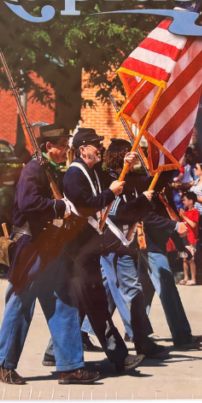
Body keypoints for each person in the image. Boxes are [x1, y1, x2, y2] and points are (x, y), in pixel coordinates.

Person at [0, 123, 100, 386]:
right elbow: (28, 204)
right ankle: (3, 365)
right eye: (62, 146)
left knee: (64, 302)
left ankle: (70, 367)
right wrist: (59, 205)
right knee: (19, 304)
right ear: (48, 147)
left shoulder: (49, 169)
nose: (66, 150)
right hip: (31, 246)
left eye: (66, 145)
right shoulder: (33, 169)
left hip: (50, 246)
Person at [59, 128, 147, 375]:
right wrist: (111, 193)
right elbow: (85, 205)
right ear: (82, 149)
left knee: (82, 304)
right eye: (95, 144)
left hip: (87, 248)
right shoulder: (74, 175)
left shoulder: (90, 170)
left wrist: (128, 164)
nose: (100, 148)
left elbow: (111, 174)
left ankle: (53, 352)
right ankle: (119, 356)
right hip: (78, 249)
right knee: (96, 303)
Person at [89, 138, 166, 359]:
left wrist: (169, 162)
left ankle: (66, 340)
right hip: (114, 242)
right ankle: (141, 340)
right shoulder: (107, 179)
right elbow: (118, 212)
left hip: (124, 241)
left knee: (101, 294)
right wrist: (142, 199)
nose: (132, 159)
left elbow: (155, 181)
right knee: (132, 290)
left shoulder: (129, 179)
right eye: (128, 155)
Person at [137, 174, 201, 349]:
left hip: (153, 245)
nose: (176, 178)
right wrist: (175, 230)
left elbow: (173, 218)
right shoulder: (148, 189)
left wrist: (182, 247)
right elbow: (149, 217)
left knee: (145, 290)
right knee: (167, 287)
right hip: (147, 245)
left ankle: (136, 330)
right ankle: (181, 334)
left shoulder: (165, 192)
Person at [178, 191, 200, 286]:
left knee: (191, 259)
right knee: (184, 259)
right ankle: (186, 277)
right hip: (184, 239)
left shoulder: (195, 211)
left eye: (185, 200)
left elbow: (193, 224)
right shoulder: (185, 212)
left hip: (191, 239)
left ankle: (193, 279)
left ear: (191, 201)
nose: (183, 202)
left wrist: (184, 217)